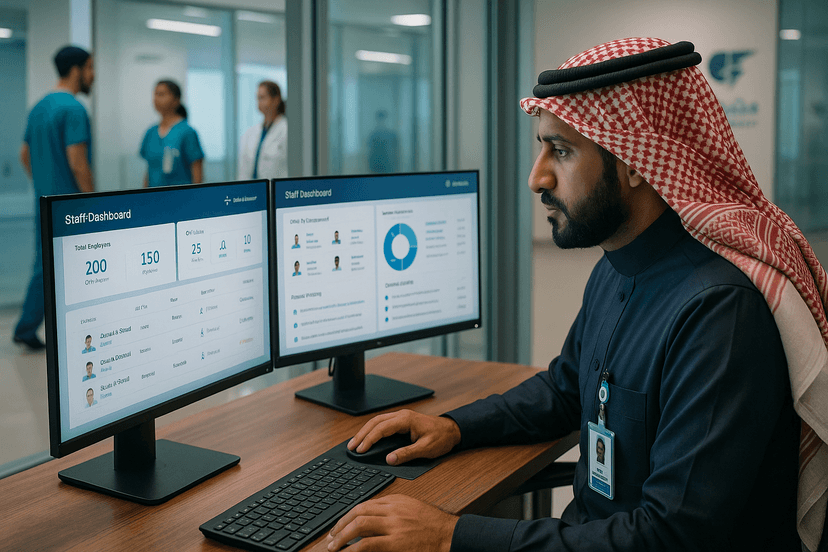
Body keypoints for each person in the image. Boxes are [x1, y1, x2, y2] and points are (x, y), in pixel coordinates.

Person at [333, 38, 828, 552]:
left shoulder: (719, 311)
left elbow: (671, 535)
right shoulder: (616, 265)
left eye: (562, 151)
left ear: (635, 161)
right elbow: (565, 388)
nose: (536, 177)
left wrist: (450, 536)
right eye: (542, 148)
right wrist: (453, 427)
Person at [13, 45, 95, 351]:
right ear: (76, 70)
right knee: (69, 269)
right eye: (90, 68)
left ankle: (28, 326)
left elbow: (24, 155)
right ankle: (58, 329)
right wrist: (94, 203)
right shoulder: (74, 109)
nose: (93, 75)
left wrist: (44, 183)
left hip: (45, 202)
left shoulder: (39, 107)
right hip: (72, 208)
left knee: (45, 265)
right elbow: (78, 163)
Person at [139, 80, 204, 187]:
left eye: (161, 94)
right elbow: (149, 170)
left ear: (176, 100)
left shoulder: (187, 132)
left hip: (181, 195)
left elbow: (197, 176)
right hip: (154, 195)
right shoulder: (151, 133)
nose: (156, 99)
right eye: (155, 94)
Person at [238, 80, 287, 180]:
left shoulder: (286, 131)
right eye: (258, 98)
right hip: (251, 187)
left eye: (262, 98)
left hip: (277, 188)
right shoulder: (251, 133)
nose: (259, 102)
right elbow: (244, 169)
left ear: (276, 100)